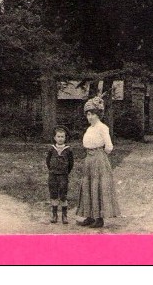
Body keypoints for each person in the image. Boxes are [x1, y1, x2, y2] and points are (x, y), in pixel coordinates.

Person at [76, 96, 120, 228]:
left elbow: (109, 146)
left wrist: (99, 155)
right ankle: (89, 216)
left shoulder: (102, 127)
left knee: (98, 186)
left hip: (99, 158)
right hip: (88, 159)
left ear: (98, 114)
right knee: (88, 185)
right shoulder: (90, 129)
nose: (90, 117)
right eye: (88, 114)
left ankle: (99, 218)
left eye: (92, 114)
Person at [45, 126, 74, 224]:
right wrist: (52, 170)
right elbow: (48, 161)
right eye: (58, 136)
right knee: (53, 194)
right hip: (53, 175)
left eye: (62, 136)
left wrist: (65, 171)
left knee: (63, 194)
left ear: (65, 138)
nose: (60, 138)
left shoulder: (68, 150)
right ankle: (54, 215)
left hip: (63, 176)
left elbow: (71, 164)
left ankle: (64, 216)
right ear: (55, 138)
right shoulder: (51, 149)